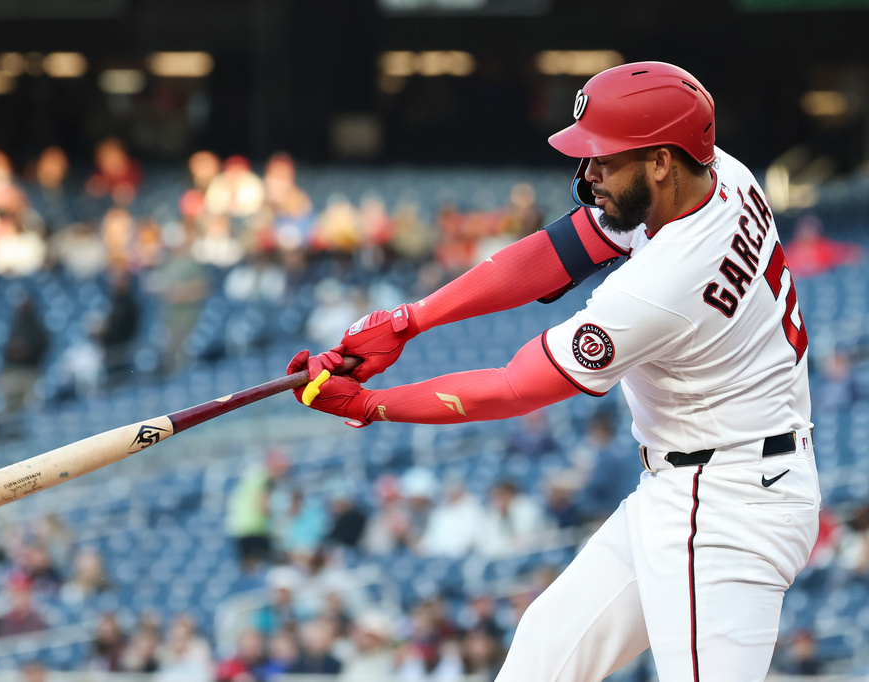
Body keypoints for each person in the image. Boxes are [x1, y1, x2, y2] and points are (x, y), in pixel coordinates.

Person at [288, 62, 820, 681]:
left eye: (604, 157)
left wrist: (370, 405)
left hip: (729, 508)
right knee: (543, 656)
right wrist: (411, 319)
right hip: (695, 482)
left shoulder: (664, 285)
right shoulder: (720, 173)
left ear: (660, 163)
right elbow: (557, 253)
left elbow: (515, 387)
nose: (588, 172)